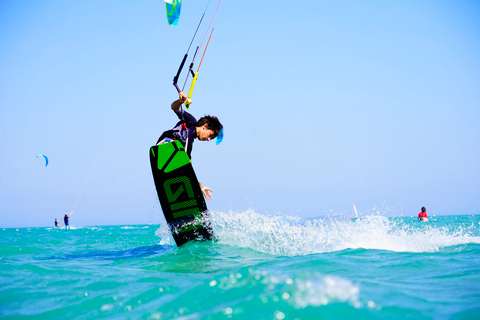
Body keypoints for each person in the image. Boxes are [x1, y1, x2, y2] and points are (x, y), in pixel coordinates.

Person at [156, 92, 223, 200]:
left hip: (174, 155)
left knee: (188, 163)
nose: (208, 139)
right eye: (210, 135)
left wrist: (200, 186)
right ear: (205, 126)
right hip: (167, 143)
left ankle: (174, 188)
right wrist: (181, 101)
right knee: (186, 160)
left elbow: (188, 170)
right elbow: (174, 107)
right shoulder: (191, 122)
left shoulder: (189, 144)